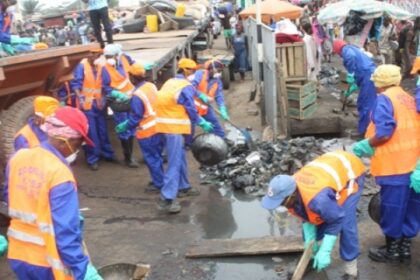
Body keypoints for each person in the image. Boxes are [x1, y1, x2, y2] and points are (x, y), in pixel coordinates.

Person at [5, 106, 102, 280]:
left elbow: (10, 197)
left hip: (18, 255)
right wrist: (81, 268)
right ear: (66, 140)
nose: (77, 149)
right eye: (79, 143)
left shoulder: (18, 158)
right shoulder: (59, 173)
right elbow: (65, 232)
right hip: (46, 262)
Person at [353, 64, 420, 264]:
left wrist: (365, 144)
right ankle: (405, 248)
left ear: (379, 84)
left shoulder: (384, 99)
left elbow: (383, 132)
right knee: (412, 207)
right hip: (415, 167)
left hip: (395, 167)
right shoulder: (409, 98)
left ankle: (392, 250)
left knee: (392, 208)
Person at [261, 151, 366, 280]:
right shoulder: (289, 189)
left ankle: (351, 270)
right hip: (327, 171)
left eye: (282, 202)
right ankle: (310, 258)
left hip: (351, 173)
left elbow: (336, 219)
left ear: (292, 195)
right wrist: (310, 238)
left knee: (345, 223)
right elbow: (305, 213)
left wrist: (326, 250)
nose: (281, 205)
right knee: (319, 217)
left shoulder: (318, 199)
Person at [155, 58, 214, 214]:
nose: (195, 74)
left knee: (180, 157)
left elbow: (190, 92)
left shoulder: (172, 82)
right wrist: (201, 121)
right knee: (174, 162)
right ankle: (167, 198)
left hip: (167, 125)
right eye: (193, 71)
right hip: (173, 128)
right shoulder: (185, 87)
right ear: (187, 71)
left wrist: (201, 96)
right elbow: (191, 109)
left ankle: (183, 187)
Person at [116, 63, 164, 192]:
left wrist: (124, 126)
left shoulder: (138, 96)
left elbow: (136, 118)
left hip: (147, 132)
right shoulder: (151, 86)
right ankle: (159, 178)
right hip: (159, 127)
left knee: (151, 158)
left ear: (132, 77)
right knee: (157, 156)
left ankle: (158, 183)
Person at [71, 48, 116, 170]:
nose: (94, 58)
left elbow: (105, 85)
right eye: (93, 55)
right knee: (91, 133)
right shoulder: (82, 66)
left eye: (97, 56)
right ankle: (92, 158)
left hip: (99, 104)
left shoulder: (101, 67)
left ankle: (107, 154)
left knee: (102, 131)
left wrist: (106, 97)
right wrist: (80, 97)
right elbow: (76, 84)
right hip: (86, 105)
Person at [333, 40, 377, 135]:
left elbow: (350, 57)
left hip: (368, 76)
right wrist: (355, 85)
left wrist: (351, 73)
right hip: (366, 76)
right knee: (361, 102)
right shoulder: (352, 48)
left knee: (366, 104)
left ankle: (364, 131)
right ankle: (365, 126)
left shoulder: (346, 50)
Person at [190, 59, 229, 138]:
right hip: (192, 106)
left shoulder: (217, 81)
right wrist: (201, 95)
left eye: (220, 71)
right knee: (190, 130)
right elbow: (191, 87)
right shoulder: (200, 74)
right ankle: (188, 144)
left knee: (216, 127)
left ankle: (222, 140)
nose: (219, 73)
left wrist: (222, 108)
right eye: (218, 70)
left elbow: (219, 95)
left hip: (205, 107)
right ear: (212, 69)